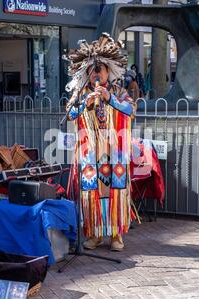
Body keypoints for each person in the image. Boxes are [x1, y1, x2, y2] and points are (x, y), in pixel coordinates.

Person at [64, 34, 137, 252]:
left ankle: (116, 235)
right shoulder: (81, 94)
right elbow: (69, 114)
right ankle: (94, 234)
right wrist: (84, 104)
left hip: (115, 151)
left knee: (116, 189)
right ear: (87, 73)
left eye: (101, 70)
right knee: (91, 191)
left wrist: (110, 99)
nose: (97, 74)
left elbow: (131, 110)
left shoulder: (119, 92)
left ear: (108, 72)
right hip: (90, 151)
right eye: (93, 70)